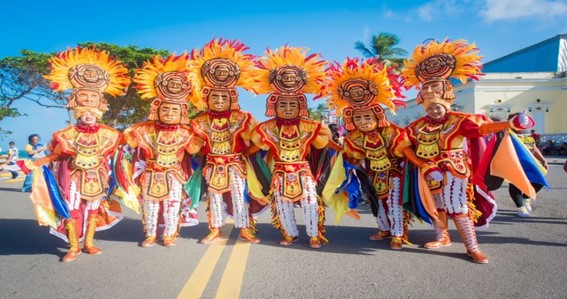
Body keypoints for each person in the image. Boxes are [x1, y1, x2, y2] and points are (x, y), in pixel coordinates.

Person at [401, 39, 535, 264]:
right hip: (428, 172)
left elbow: (483, 129)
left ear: (447, 101)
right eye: (430, 106)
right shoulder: (417, 126)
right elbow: (405, 147)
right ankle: (442, 236)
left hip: (455, 168)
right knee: (437, 204)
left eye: (438, 105)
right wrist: (422, 164)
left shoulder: (459, 120)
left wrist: (511, 124)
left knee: (457, 205)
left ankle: (472, 247)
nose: (434, 110)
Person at [20, 47, 129, 262]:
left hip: (97, 177)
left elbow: (118, 157)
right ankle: (73, 246)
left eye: (92, 106)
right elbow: (55, 156)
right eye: (83, 106)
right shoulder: (65, 134)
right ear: (76, 108)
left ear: (100, 108)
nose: (88, 111)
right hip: (72, 178)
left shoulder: (110, 134)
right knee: (71, 210)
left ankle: (89, 242)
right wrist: (35, 164)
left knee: (93, 210)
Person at [325, 57, 429, 250]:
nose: (363, 121)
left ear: (377, 116)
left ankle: (399, 234)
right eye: (359, 118)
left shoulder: (391, 131)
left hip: (394, 173)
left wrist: (422, 164)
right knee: (378, 203)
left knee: (395, 203)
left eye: (367, 117)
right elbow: (351, 156)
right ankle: (384, 229)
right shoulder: (354, 137)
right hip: (372, 174)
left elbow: (404, 149)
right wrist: (333, 146)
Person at [249, 46, 342, 249]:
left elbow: (325, 144)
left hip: (303, 171)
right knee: (283, 205)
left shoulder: (312, 125)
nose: (288, 108)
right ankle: (290, 234)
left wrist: (344, 151)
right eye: (283, 105)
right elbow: (256, 146)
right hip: (280, 172)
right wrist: (241, 156)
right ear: (274, 105)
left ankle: (314, 234)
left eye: (292, 105)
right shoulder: (266, 127)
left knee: (310, 203)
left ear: (301, 105)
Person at [188, 39, 264, 244]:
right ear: (207, 98)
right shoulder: (200, 120)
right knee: (214, 197)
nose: (219, 101)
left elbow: (261, 138)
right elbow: (194, 145)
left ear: (232, 98)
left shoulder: (243, 117)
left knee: (240, 197)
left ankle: (245, 230)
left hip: (236, 166)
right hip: (213, 165)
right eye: (215, 97)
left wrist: (246, 153)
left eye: (224, 97)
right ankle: (215, 229)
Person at [120, 53, 200, 247]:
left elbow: (194, 148)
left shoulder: (186, 131)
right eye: (165, 109)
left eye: (174, 110)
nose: (169, 113)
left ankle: (170, 234)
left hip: (174, 173)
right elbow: (129, 142)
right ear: (156, 109)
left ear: (182, 112)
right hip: (151, 172)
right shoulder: (144, 129)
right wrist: (128, 132)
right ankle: (150, 234)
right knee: (150, 204)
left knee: (173, 204)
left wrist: (200, 138)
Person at [508, 114, 548, 217]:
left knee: (539, 181)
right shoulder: (507, 134)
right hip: (514, 163)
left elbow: (534, 148)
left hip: (530, 163)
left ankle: (526, 198)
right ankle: (520, 208)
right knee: (516, 185)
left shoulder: (527, 134)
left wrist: (543, 160)